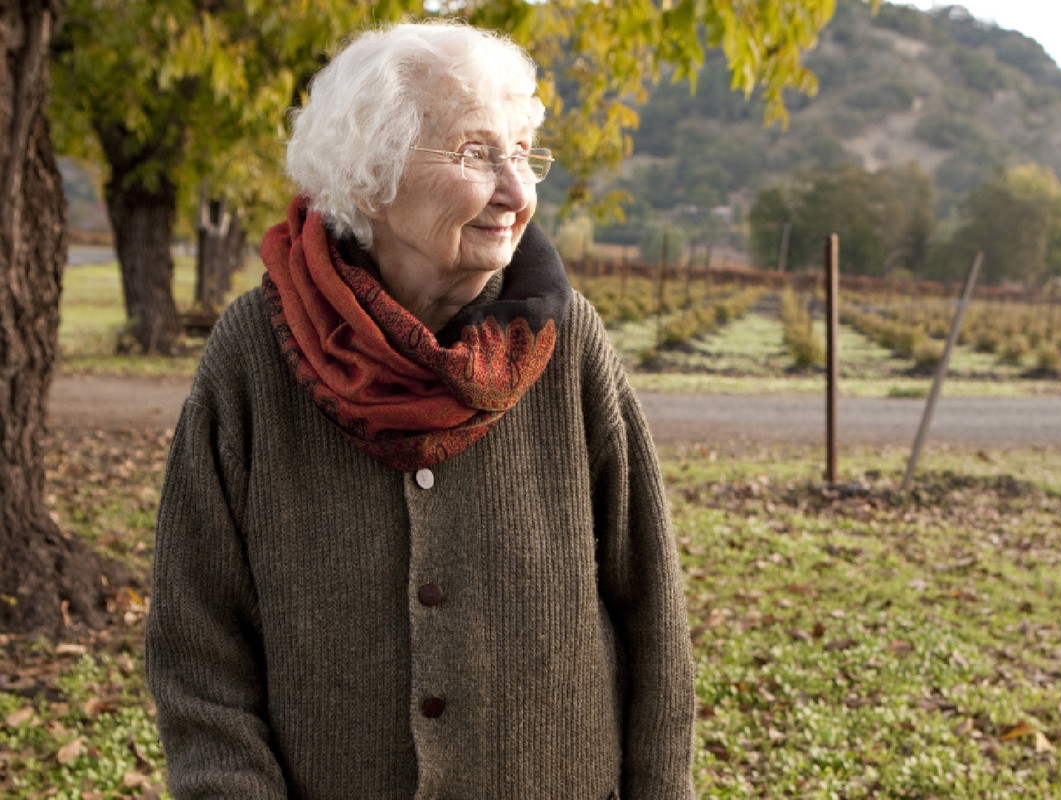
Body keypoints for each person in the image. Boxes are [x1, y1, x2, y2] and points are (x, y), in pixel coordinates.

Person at [145, 19, 695, 800]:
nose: (517, 191)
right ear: (370, 175)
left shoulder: (567, 345)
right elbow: (197, 651)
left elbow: (653, 615)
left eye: (524, 155)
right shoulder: (254, 354)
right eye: (478, 154)